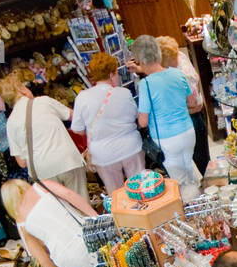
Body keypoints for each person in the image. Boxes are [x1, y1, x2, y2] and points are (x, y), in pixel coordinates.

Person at [0, 177, 113, 267]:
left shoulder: (20, 220)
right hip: (84, 235)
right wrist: (94, 216)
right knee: (97, 264)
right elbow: (70, 195)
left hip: (63, 254)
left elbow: (38, 253)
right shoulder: (41, 187)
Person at [130, 35, 201, 199]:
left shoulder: (146, 84)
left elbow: (143, 121)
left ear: (140, 60)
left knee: (181, 181)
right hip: (188, 131)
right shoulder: (178, 74)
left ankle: (195, 210)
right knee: (189, 166)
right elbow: (191, 101)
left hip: (168, 139)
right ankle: (202, 199)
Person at [0, 69, 89, 197]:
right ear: (21, 90)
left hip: (44, 174)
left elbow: (21, 162)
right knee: (83, 205)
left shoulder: (10, 123)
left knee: (65, 213)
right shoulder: (44, 101)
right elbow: (74, 117)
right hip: (67, 161)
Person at [70, 52, 144, 194]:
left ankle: (126, 216)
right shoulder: (124, 93)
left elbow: (78, 130)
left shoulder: (82, 98)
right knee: (141, 188)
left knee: (117, 195)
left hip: (103, 154)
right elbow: (136, 116)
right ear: (111, 74)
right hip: (131, 148)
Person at [156, 36, 210, 176]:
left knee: (200, 159)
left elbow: (192, 104)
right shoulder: (180, 55)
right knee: (202, 157)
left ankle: (210, 187)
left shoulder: (181, 75)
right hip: (195, 114)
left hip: (192, 117)